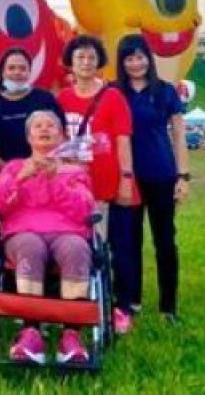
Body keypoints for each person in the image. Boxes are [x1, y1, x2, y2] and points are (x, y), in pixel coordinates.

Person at [0, 110, 96, 365]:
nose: (45, 129)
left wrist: (55, 180)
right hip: (23, 233)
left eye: (51, 126)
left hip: (67, 231)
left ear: (61, 135)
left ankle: (71, 335)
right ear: (28, 137)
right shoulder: (14, 167)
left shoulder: (74, 171)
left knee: (76, 248)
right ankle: (30, 332)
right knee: (31, 246)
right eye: (38, 126)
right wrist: (19, 179)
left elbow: (85, 210)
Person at [56, 35, 138, 335]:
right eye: (80, 58)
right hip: (74, 185)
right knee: (81, 246)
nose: (86, 63)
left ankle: (121, 305)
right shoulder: (63, 98)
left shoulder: (113, 96)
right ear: (71, 63)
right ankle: (87, 298)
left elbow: (122, 140)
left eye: (91, 57)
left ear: (99, 61)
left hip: (107, 183)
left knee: (116, 247)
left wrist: (126, 178)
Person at [114, 33, 189, 327]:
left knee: (165, 241)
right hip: (127, 177)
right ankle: (130, 302)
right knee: (127, 242)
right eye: (129, 58)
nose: (135, 63)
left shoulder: (165, 91)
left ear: (149, 58)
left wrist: (183, 177)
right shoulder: (115, 92)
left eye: (140, 57)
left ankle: (168, 307)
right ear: (122, 62)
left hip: (161, 174)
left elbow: (180, 136)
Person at [0, 47, 63, 171]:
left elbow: (61, 136)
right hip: (8, 175)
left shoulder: (45, 98)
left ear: (29, 72)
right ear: (2, 72)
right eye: (11, 68)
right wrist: (12, 172)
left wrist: (47, 165)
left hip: (46, 171)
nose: (17, 72)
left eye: (22, 68)